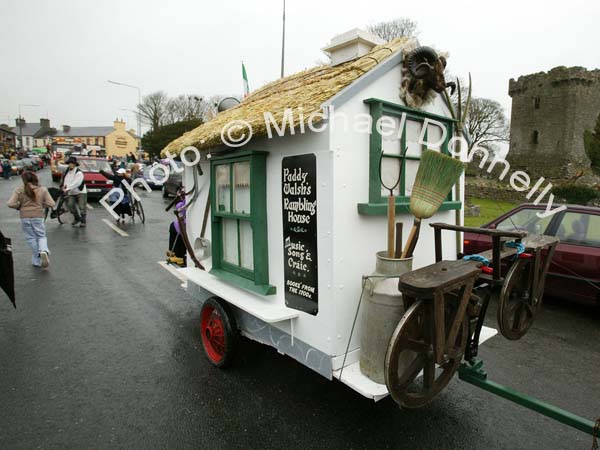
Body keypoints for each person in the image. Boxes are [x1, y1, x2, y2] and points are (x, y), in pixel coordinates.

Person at [6, 171, 55, 268]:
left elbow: (10, 203)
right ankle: (43, 250)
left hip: (25, 216)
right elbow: (51, 203)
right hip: (38, 216)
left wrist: (19, 206)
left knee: (31, 237)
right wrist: (41, 205)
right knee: (41, 236)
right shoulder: (42, 189)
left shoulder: (19, 190)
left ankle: (37, 259)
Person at [62, 156, 88, 227]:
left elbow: (77, 183)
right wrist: (64, 187)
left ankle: (83, 221)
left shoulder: (79, 172)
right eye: (69, 163)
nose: (70, 164)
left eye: (72, 163)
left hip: (80, 191)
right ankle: (77, 218)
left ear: (75, 164)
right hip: (71, 192)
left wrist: (68, 188)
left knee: (81, 206)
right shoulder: (67, 171)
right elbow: (66, 180)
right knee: (70, 205)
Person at [167, 199, 187, 266]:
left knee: (174, 226)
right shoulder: (184, 202)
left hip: (185, 224)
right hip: (182, 223)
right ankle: (174, 252)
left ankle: (176, 254)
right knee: (174, 226)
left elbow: (179, 206)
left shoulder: (182, 203)